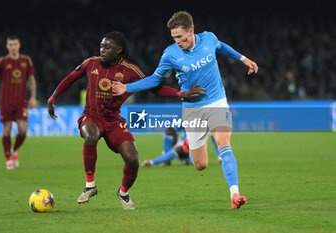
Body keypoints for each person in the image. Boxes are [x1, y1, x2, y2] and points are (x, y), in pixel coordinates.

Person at [112, 11, 258, 209]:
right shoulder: (170, 54)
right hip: (193, 109)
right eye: (174, 37)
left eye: (180, 36)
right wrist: (127, 87)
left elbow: (221, 47)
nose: (177, 41)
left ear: (191, 31)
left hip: (217, 101)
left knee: (224, 144)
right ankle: (190, 142)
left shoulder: (208, 38)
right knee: (201, 165)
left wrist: (243, 59)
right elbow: (155, 79)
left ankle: (235, 194)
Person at [47, 31, 202, 210]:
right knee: (91, 136)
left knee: (132, 159)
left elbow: (153, 87)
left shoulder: (130, 70)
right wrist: (52, 98)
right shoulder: (90, 64)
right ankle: (90, 185)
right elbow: (70, 78)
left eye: (107, 47)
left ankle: (123, 192)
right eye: (101, 46)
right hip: (91, 116)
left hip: (114, 121)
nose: (102, 50)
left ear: (119, 50)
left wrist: (180, 93)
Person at [0, 35, 37, 170]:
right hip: (6, 101)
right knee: (7, 129)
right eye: (10, 44)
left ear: (19, 45)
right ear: (7, 46)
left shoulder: (26, 61)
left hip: (21, 102)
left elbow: (31, 80)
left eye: (15, 44)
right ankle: (8, 158)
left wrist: (33, 96)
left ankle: (14, 150)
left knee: (23, 130)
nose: (13, 46)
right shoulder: (2, 62)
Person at [143, 127, 222, 167]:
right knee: (168, 133)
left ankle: (152, 162)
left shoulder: (206, 122)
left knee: (180, 149)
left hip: (192, 148)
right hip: (183, 143)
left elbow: (214, 138)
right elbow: (176, 129)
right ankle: (166, 159)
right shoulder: (188, 118)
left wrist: (220, 156)